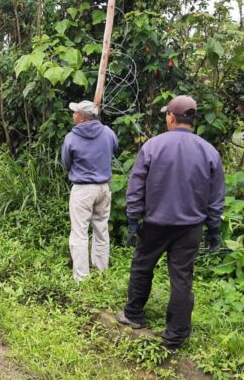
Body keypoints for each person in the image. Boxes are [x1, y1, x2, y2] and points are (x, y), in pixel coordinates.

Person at [116, 95, 225, 352]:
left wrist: (133, 220)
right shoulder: (209, 151)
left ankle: (133, 315)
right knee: (182, 278)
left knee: (142, 267)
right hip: (190, 228)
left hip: (155, 224)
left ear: (171, 117)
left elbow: (136, 186)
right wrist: (214, 230)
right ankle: (174, 337)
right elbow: (216, 195)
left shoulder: (153, 146)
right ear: (193, 119)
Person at [61, 100, 119, 282]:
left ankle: (81, 278)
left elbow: (66, 163)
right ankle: (101, 272)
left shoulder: (71, 138)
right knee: (101, 230)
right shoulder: (108, 133)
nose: (73, 115)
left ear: (83, 117)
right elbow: (114, 149)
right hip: (103, 188)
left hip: (82, 189)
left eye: (75, 112)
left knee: (79, 233)